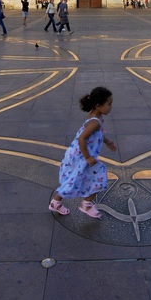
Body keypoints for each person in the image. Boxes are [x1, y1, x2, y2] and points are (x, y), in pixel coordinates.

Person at [49, 86, 117, 218]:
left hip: (77, 154)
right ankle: (86, 204)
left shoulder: (97, 117)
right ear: (98, 105)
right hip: (81, 155)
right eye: (109, 104)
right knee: (100, 176)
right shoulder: (95, 122)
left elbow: (98, 133)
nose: (111, 107)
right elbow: (82, 138)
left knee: (71, 179)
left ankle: (55, 203)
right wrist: (88, 158)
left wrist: (107, 142)